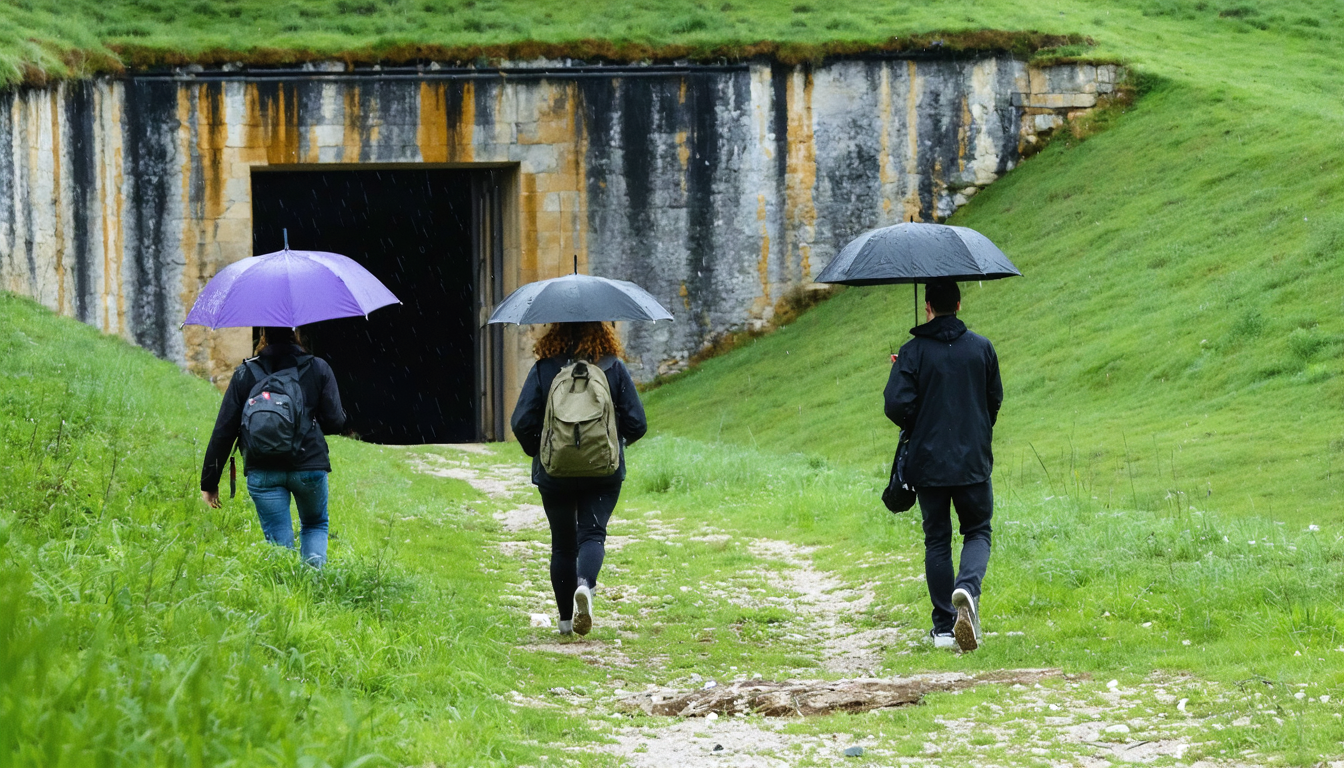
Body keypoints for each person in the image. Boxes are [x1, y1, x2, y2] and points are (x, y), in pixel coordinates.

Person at [884, 280, 1003, 652]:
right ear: (959, 305)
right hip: (973, 461)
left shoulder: (913, 352)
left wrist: (909, 381)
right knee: (977, 531)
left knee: (936, 539)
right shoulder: (982, 348)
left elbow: (895, 406)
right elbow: (993, 400)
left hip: (929, 463)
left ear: (928, 307)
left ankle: (944, 629)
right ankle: (966, 590)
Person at [511, 321, 648, 636]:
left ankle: (563, 624)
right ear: (602, 333)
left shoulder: (545, 370)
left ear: (555, 333)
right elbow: (637, 423)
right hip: (603, 472)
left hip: (554, 472)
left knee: (562, 545)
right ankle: (585, 585)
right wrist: (612, 443)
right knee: (592, 534)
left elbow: (521, 421)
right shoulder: (613, 369)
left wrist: (540, 450)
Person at [200, 327, 346, 568]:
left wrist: (209, 482)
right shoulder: (318, 368)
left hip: (263, 468)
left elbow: (224, 431)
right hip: (308, 464)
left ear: (264, 335)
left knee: (280, 544)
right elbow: (335, 422)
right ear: (295, 333)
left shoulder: (245, 373)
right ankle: (314, 582)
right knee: (314, 524)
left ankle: (287, 592)